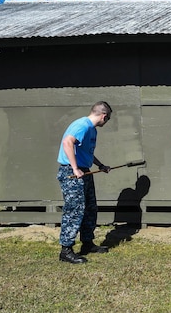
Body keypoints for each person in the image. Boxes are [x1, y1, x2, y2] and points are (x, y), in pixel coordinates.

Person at [56, 101, 113, 264]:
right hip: (72, 173)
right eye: (107, 119)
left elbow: (85, 152)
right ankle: (66, 250)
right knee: (74, 210)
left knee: (89, 208)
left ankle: (87, 243)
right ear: (104, 116)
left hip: (84, 171)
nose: (106, 121)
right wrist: (74, 168)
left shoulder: (91, 129)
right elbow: (67, 142)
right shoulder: (82, 125)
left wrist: (100, 165)